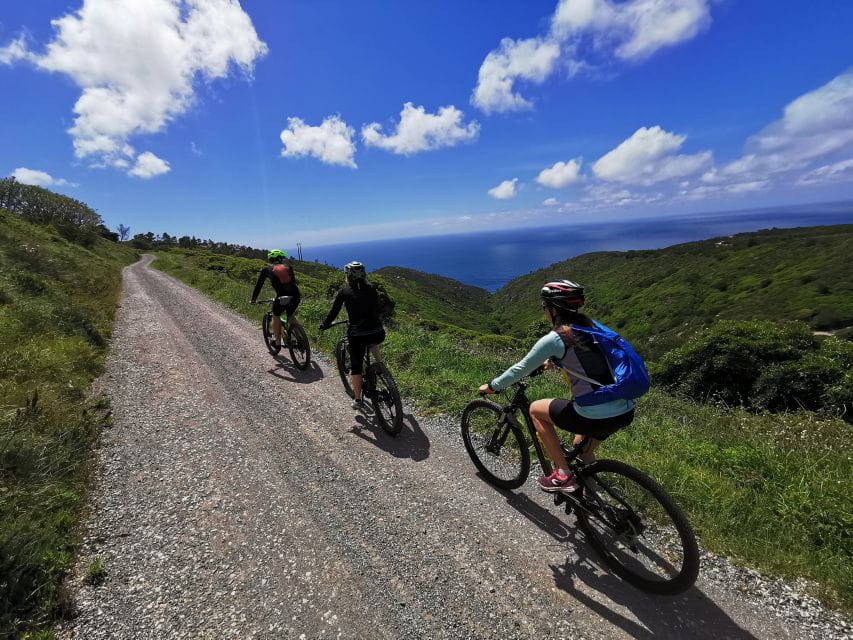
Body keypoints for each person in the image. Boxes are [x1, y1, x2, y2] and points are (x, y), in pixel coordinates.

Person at [479, 280, 635, 494]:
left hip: (593, 413)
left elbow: (520, 368)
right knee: (581, 445)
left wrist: (493, 386)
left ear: (552, 309)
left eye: (544, 307)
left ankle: (563, 474)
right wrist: (553, 361)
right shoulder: (594, 328)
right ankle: (592, 499)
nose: (544, 311)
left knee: (535, 410)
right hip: (624, 410)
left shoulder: (556, 337)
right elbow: (588, 356)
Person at [320, 261, 386, 410]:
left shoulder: (344, 292)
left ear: (347, 276)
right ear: (364, 275)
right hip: (378, 332)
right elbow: (377, 310)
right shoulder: (372, 289)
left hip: (358, 334)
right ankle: (380, 366)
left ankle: (357, 400)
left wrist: (325, 325)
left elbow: (334, 312)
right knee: (372, 341)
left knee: (356, 367)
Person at [250, 250, 301, 353]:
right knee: (290, 314)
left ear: (271, 260)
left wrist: (253, 299)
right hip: (295, 296)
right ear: (281, 259)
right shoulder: (288, 267)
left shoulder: (267, 270)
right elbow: (294, 283)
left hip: (281, 297)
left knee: (276, 315)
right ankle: (300, 337)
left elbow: (258, 285)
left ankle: (277, 343)